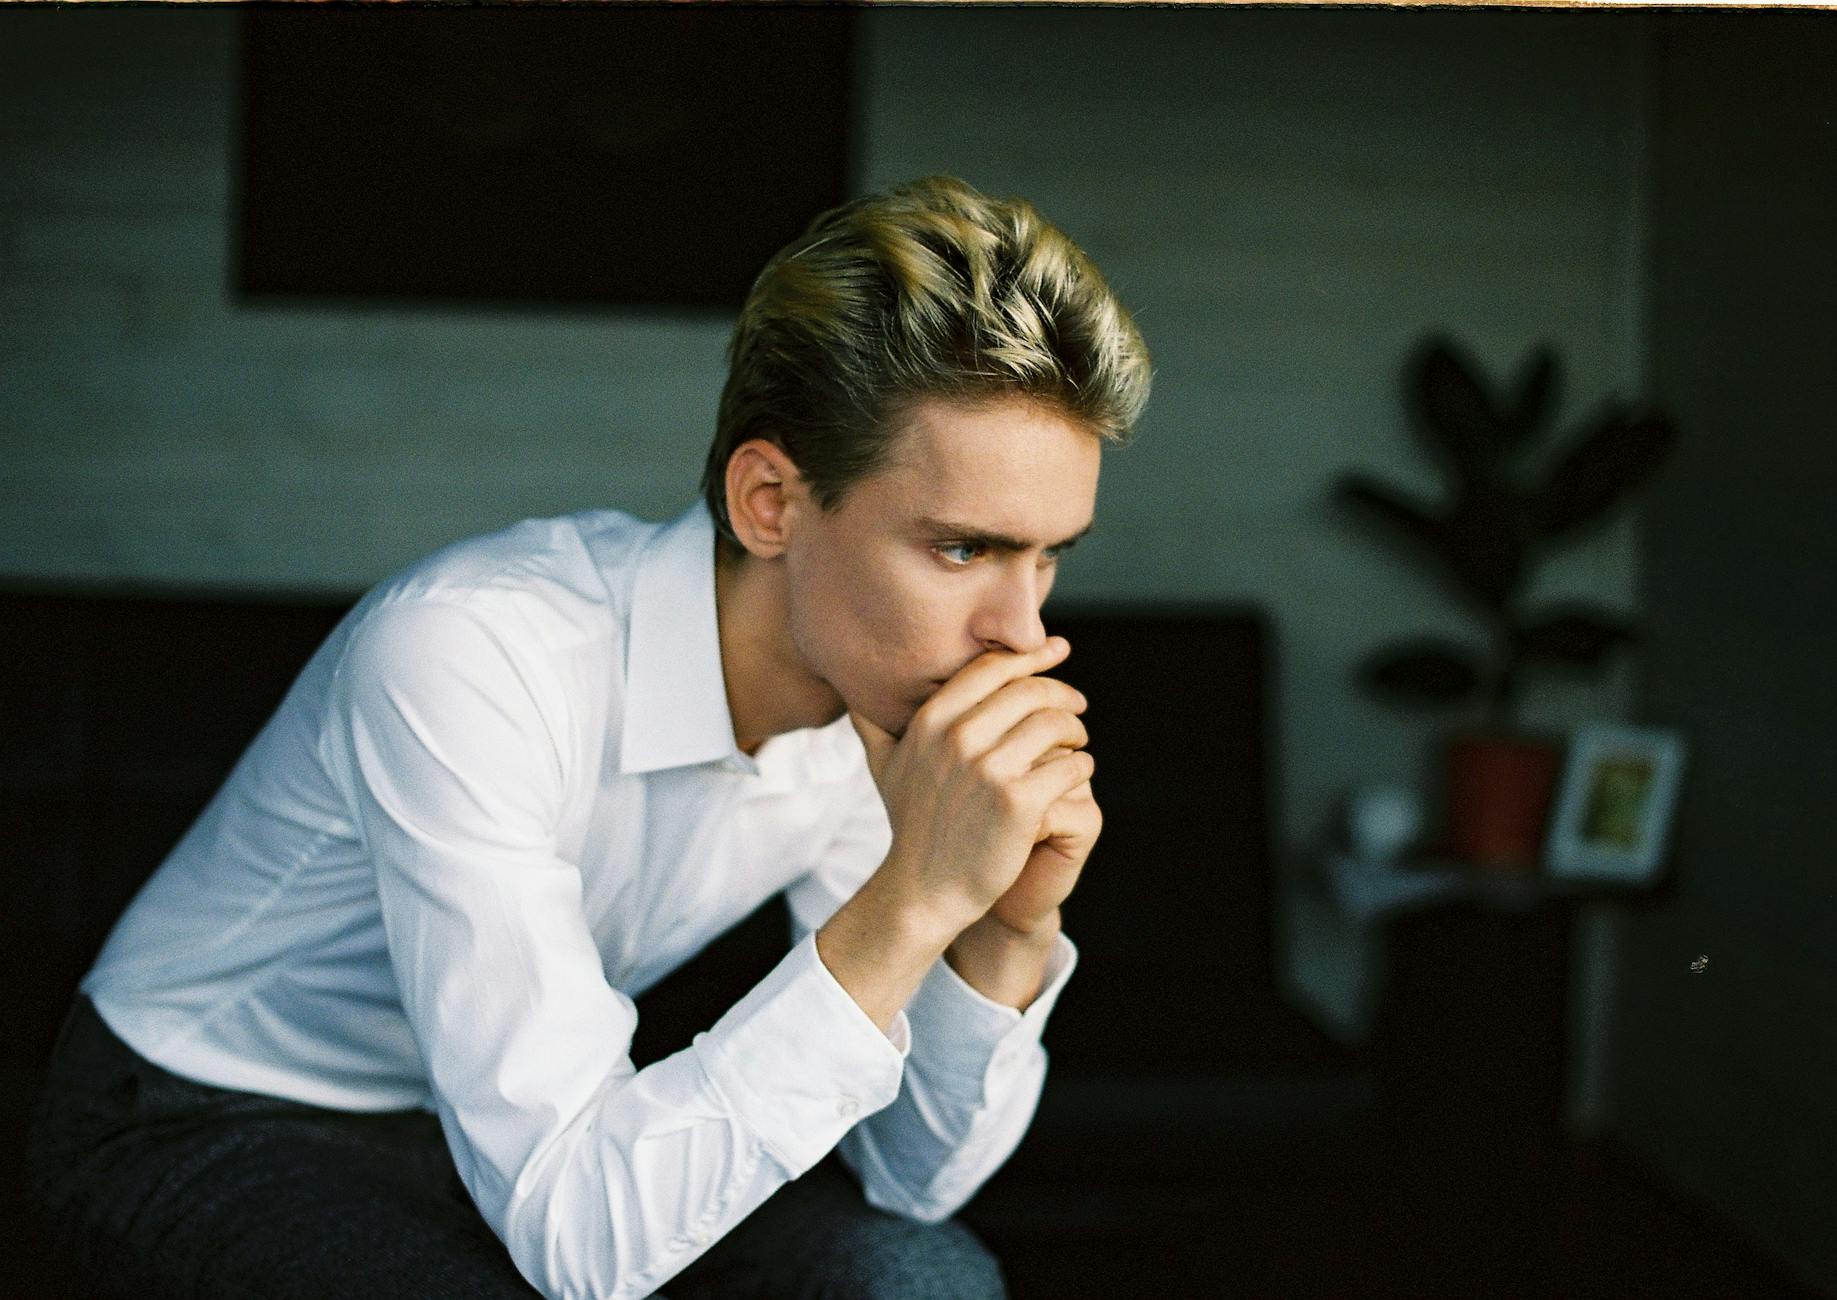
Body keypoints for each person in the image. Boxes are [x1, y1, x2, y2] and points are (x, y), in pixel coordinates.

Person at [23, 174, 1153, 1300]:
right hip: (199, 1114)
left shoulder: (891, 697)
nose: (1022, 635)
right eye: (964, 549)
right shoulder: (469, 653)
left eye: (1048, 555)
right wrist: (913, 897)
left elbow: (910, 1180)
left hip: (517, 1133)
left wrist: (1006, 928)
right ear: (769, 501)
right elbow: (582, 1243)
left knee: (920, 1280)